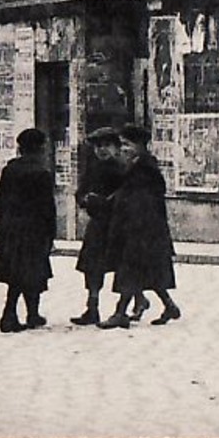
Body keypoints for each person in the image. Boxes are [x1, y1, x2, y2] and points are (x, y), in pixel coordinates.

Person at [99, 126, 181, 329]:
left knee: (130, 270)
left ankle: (120, 313)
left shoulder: (144, 168)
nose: (123, 149)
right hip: (140, 229)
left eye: (127, 144)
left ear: (139, 146)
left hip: (141, 229)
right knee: (149, 272)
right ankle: (169, 306)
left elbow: (141, 200)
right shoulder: (137, 166)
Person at [0, 127, 56, 333]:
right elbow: (47, 207)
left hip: (10, 228)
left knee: (18, 271)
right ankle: (11, 314)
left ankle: (30, 314)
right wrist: (50, 232)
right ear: (39, 149)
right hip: (33, 230)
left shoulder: (10, 169)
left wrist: (4, 222)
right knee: (30, 271)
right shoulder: (41, 173)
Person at [70, 126, 124, 325]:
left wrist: (104, 201)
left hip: (118, 223)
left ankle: (133, 302)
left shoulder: (122, 169)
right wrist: (84, 199)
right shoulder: (93, 168)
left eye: (106, 145)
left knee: (123, 266)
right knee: (92, 266)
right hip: (98, 223)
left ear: (116, 147)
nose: (102, 150)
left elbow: (125, 195)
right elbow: (81, 191)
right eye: (98, 146)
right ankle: (92, 307)